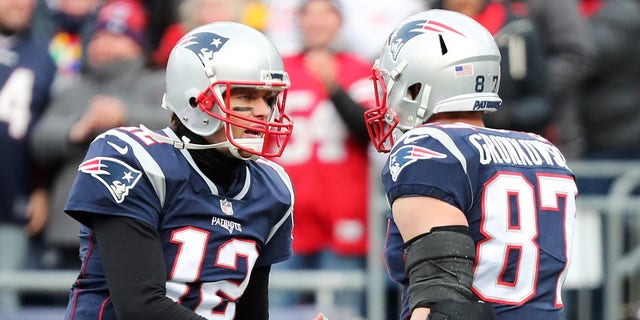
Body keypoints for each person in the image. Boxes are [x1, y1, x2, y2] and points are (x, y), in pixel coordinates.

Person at [59, 20, 326, 320]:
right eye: (246, 97)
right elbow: (140, 307)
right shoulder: (133, 158)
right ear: (195, 100)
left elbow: (250, 314)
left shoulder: (271, 186)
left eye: (269, 98)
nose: (264, 111)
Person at [365, 9, 578, 320]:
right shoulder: (545, 150)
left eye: (394, 82)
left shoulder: (430, 147)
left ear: (418, 84)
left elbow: (442, 300)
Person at [30, 0, 167, 270]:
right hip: (71, 227)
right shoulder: (73, 88)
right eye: (99, 36)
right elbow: (38, 140)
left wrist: (124, 116)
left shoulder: (158, 82)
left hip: (141, 225)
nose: (104, 44)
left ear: (138, 44)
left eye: (116, 36)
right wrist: (77, 129)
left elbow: (178, 127)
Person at [270, 0, 374, 316]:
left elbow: (370, 132)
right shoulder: (278, 70)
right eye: (308, 14)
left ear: (339, 21)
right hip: (284, 218)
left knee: (339, 312)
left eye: (325, 13)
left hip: (342, 215)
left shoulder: (359, 70)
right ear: (297, 21)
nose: (316, 22)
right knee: (275, 308)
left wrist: (334, 88)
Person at [0, 0, 56, 315]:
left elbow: (44, 129)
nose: (20, 4)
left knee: (5, 296)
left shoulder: (42, 57)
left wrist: (41, 188)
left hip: (13, 196)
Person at [436, 0, 550, 136]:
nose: (462, 2)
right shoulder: (428, 35)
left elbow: (543, 102)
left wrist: (506, 115)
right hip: (447, 136)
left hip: (506, 138)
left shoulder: (519, 32)